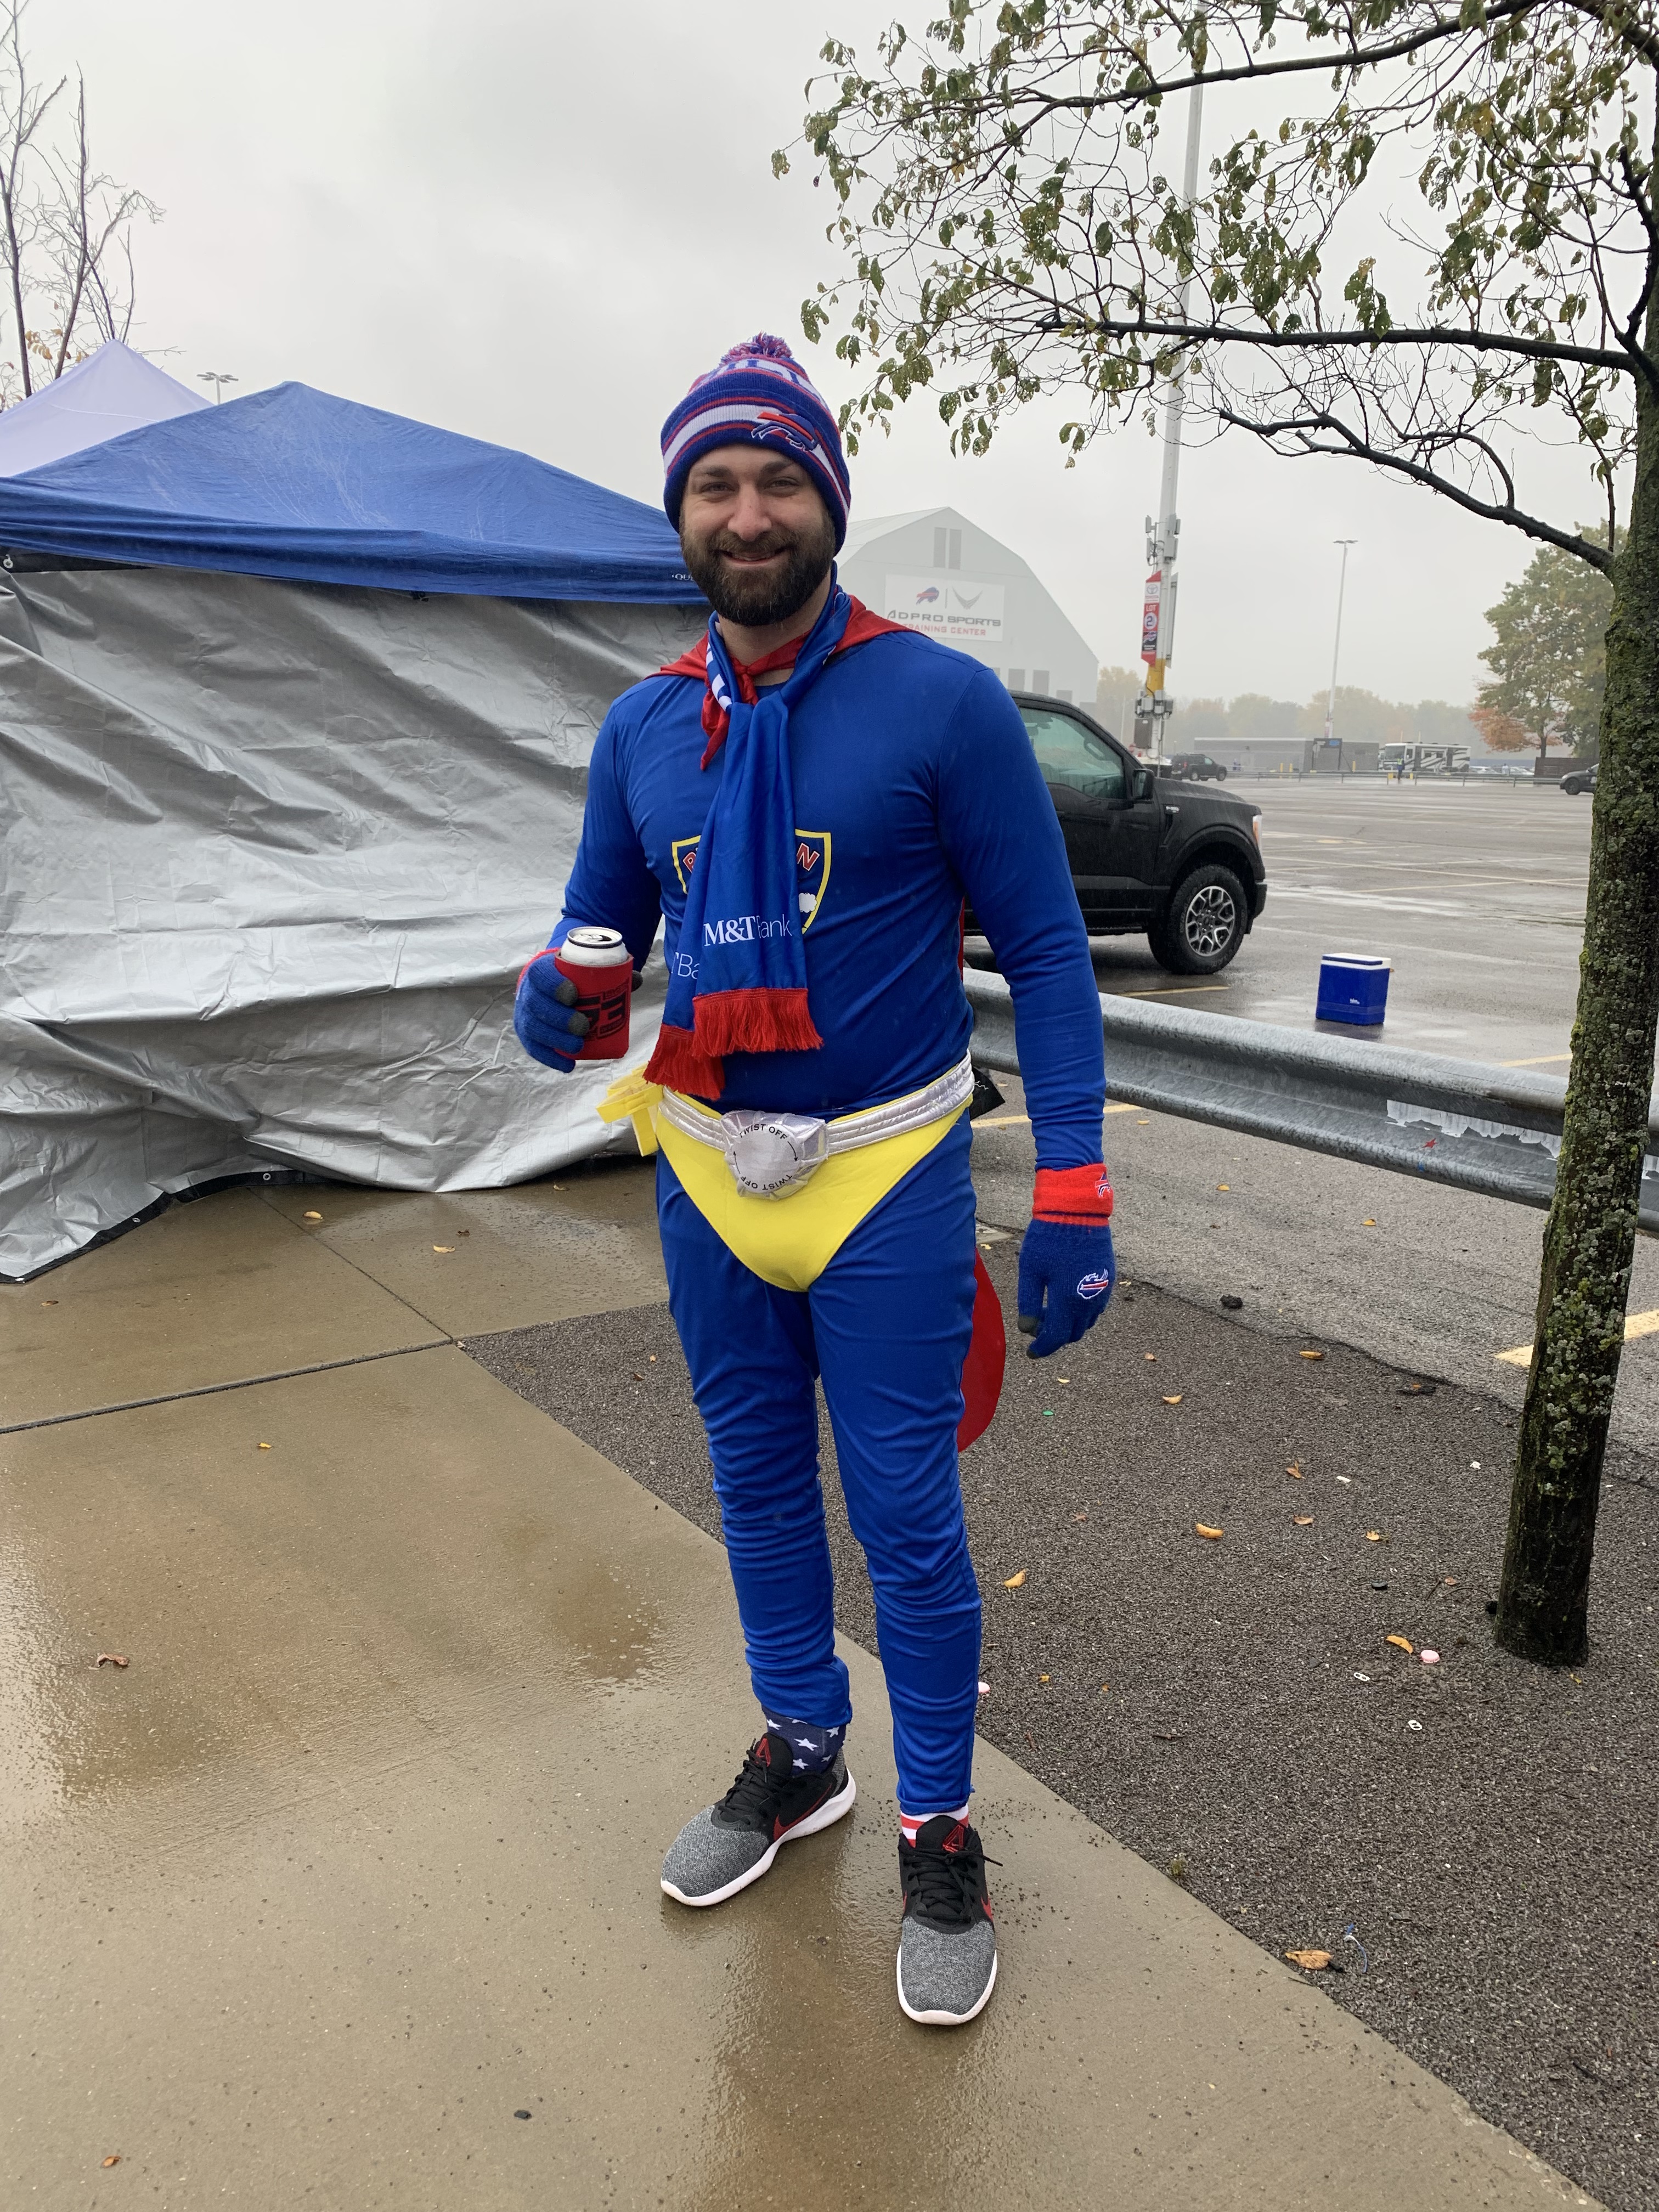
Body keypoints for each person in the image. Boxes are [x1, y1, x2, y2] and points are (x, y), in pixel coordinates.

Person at [514, 334, 1115, 2028]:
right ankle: (802, 1751)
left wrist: (1071, 1178)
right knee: (759, 1489)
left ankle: (938, 1821)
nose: (749, 510)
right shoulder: (645, 727)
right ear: (682, 514)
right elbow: (594, 946)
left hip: (886, 1169)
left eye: (780, 478)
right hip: (706, 1164)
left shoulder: (940, 699)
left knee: (906, 1519)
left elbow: (1054, 955)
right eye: (717, 482)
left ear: (828, 501)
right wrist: (552, 1004)